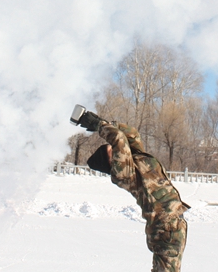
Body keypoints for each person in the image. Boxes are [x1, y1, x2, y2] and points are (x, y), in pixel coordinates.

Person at [76, 110, 190, 272]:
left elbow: (131, 135)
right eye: (111, 151)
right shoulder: (122, 173)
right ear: (111, 161)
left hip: (174, 224)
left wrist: (106, 122)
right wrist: (99, 125)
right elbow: (118, 139)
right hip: (165, 227)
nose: (116, 149)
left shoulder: (136, 158)